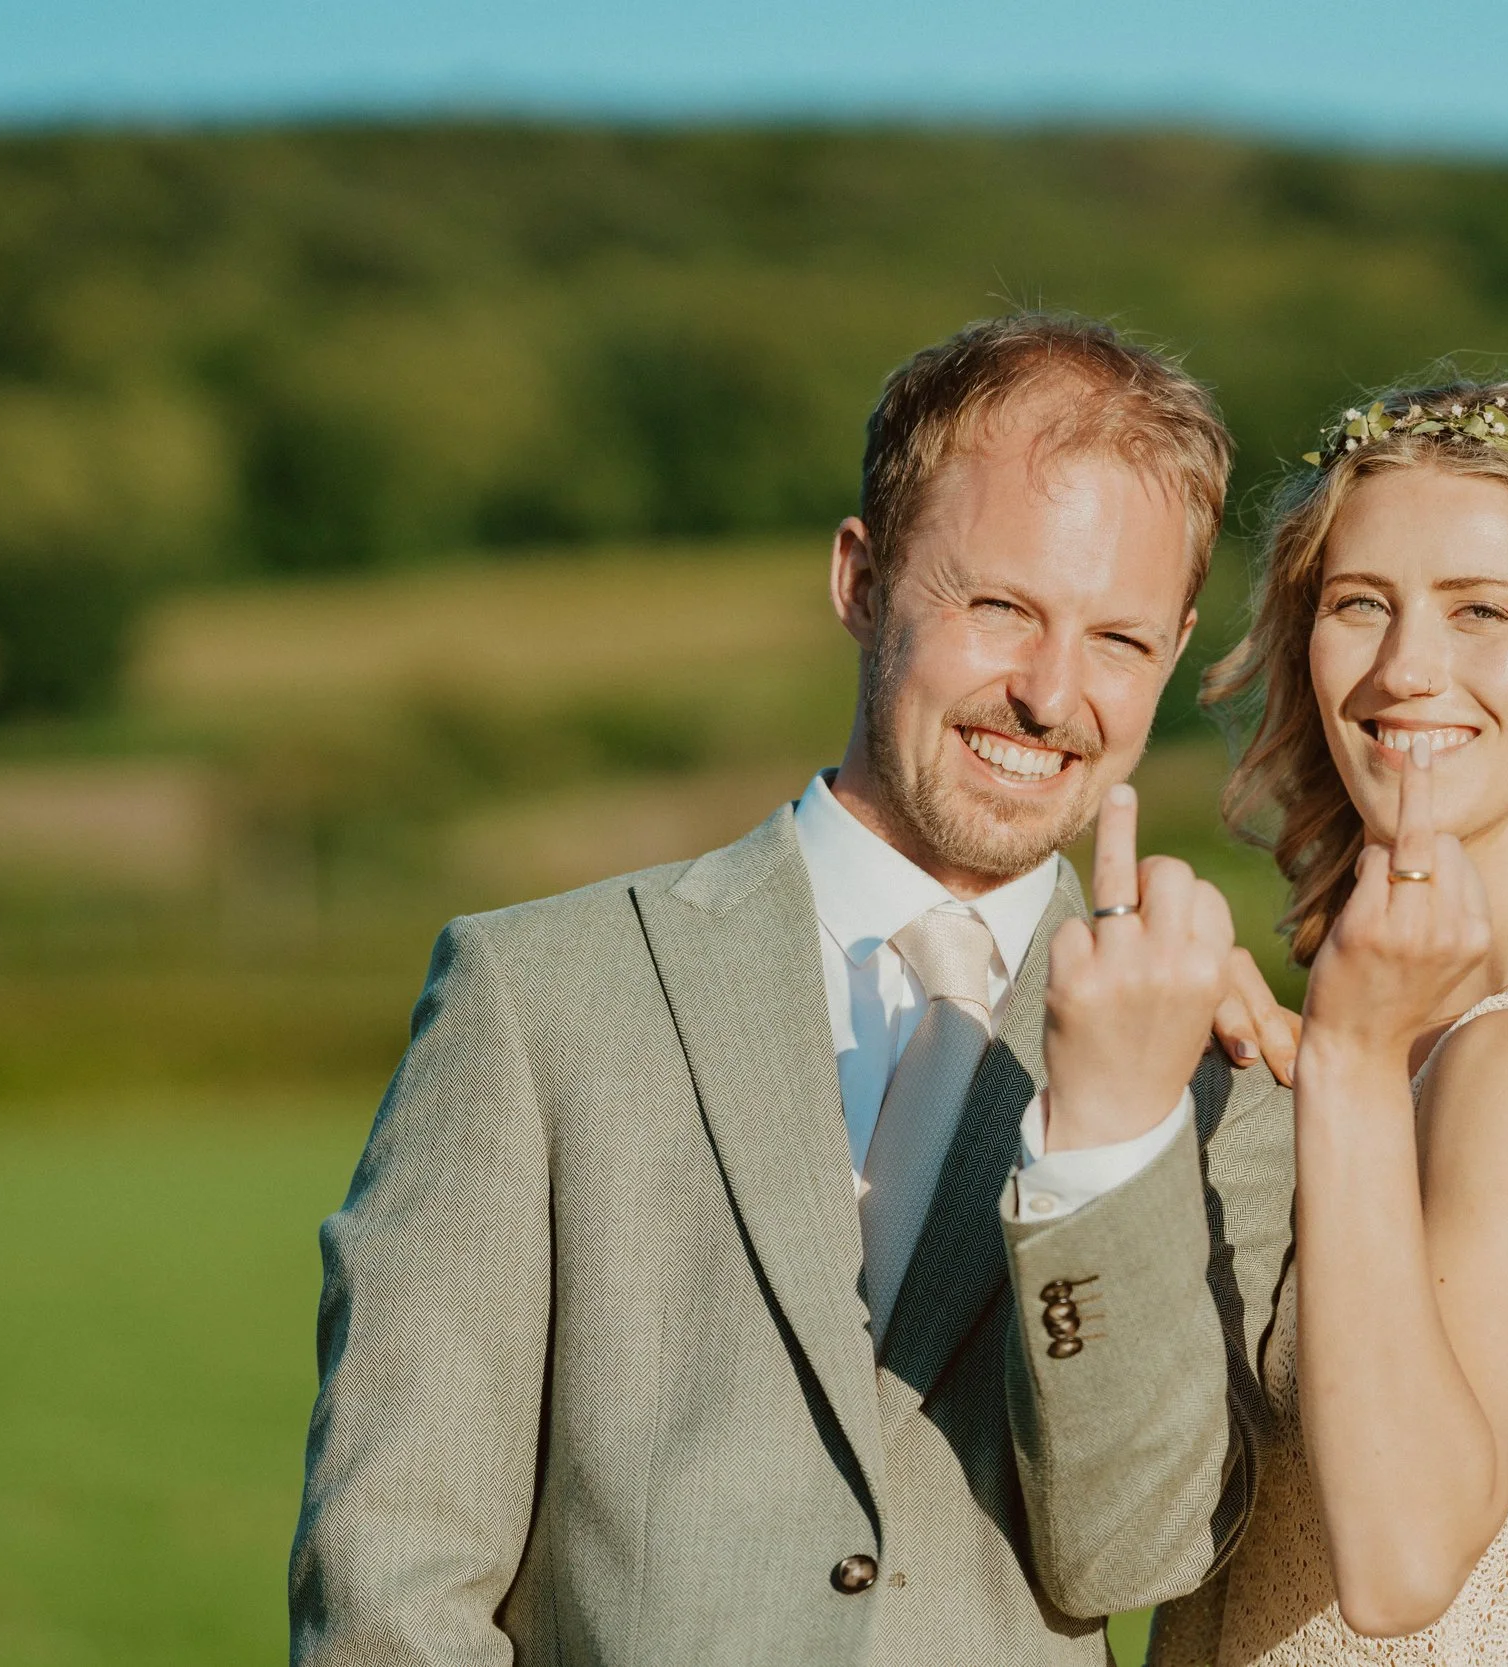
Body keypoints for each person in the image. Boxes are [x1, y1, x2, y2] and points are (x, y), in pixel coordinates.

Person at [288, 314, 1301, 1666]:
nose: (1051, 693)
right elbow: (389, 1579)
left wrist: (1109, 1137)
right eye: (998, 605)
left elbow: (1131, 1549)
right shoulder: (535, 996)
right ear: (861, 576)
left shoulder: (1224, 1072)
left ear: (1174, 651)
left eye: (1116, 638)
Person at [1150, 381, 1508, 1665]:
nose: (1405, 668)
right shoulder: (1412, 1050)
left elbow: (1404, 1558)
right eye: (1361, 604)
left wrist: (1352, 1063)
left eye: (1480, 611)